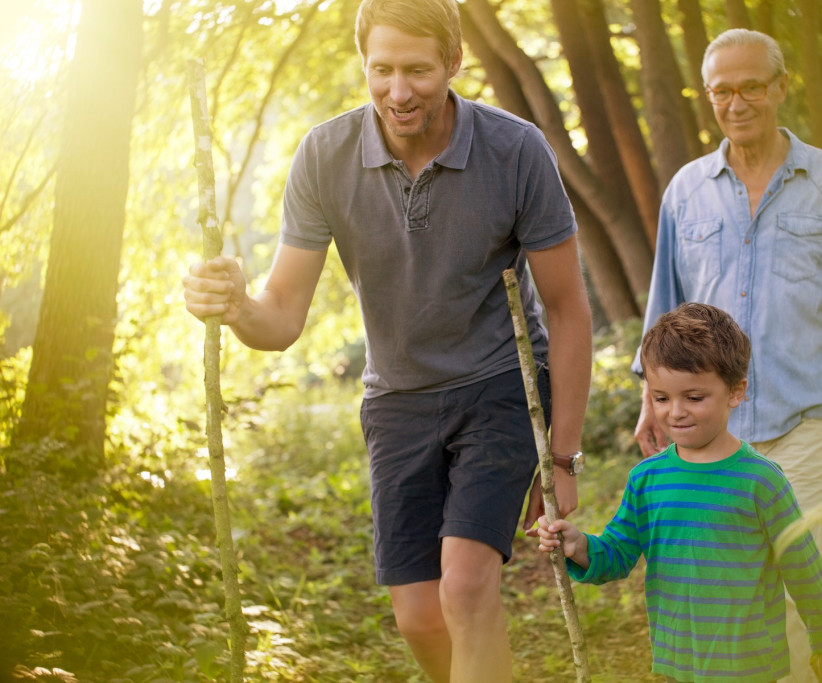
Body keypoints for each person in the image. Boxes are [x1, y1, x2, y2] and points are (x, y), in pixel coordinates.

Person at [182, 0, 592, 680]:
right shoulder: (325, 156)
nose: (398, 92)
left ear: (454, 64)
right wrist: (232, 306)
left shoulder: (515, 151)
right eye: (382, 70)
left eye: (417, 71)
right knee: (421, 617)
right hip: (397, 401)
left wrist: (563, 456)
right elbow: (280, 316)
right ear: (364, 64)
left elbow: (568, 306)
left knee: (465, 585)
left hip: (497, 387)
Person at [632, 28, 822, 683]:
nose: (737, 103)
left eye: (751, 87)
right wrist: (650, 401)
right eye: (722, 91)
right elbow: (665, 308)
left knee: (790, 575)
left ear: (780, 87)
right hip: (712, 426)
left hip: (804, 416)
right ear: (709, 97)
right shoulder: (686, 191)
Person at [534, 303, 822, 683]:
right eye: (661, 398)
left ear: (735, 392)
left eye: (694, 398)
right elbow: (618, 554)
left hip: (750, 663)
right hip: (679, 662)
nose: (676, 412)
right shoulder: (646, 480)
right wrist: (580, 546)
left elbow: (803, 570)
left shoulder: (762, 481)